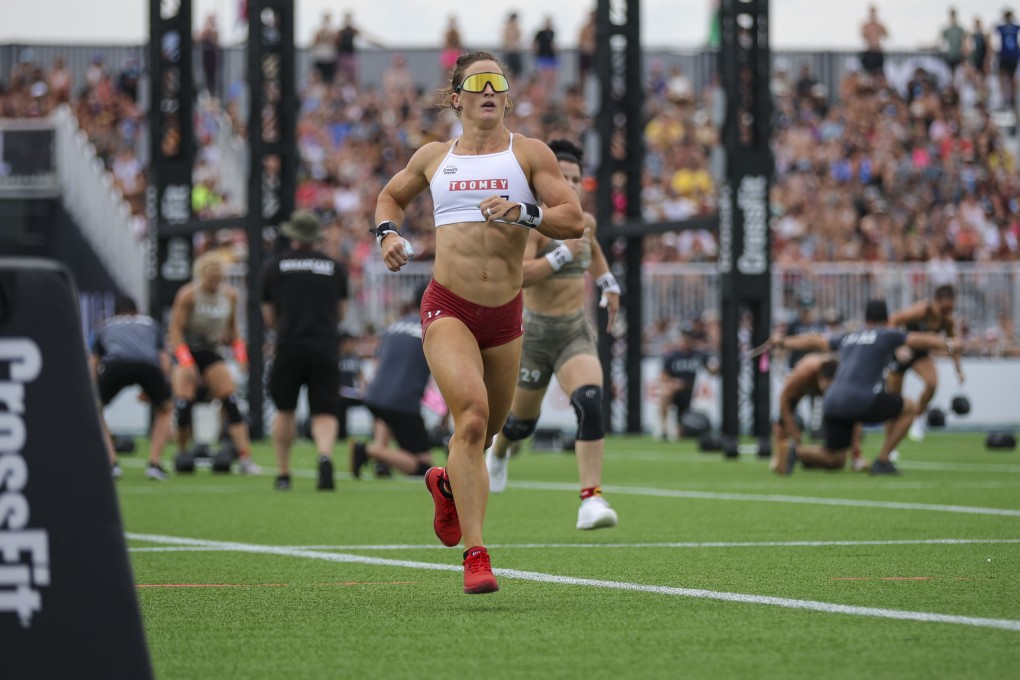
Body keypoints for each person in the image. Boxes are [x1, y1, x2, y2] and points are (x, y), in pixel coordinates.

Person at [373, 51, 584, 594]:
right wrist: (388, 235)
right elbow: (390, 196)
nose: (490, 90)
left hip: (507, 315)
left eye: (498, 82)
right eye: (478, 82)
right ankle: (476, 554)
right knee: (469, 419)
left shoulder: (530, 154)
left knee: (484, 436)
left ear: (508, 96)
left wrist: (524, 212)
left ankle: (446, 483)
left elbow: (572, 219)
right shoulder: (434, 157)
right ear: (456, 97)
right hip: (449, 308)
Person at [483, 138, 621, 530]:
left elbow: (590, 249)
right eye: (564, 177)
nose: (571, 185)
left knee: (590, 403)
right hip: (535, 336)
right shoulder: (533, 224)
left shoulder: (585, 221)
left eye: (576, 178)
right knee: (519, 425)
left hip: (574, 331)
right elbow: (519, 276)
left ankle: (591, 500)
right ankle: (500, 453)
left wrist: (609, 283)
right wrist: (560, 254)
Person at [772, 300, 960, 476]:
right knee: (910, 407)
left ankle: (795, 451)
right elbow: (917, 339)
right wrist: (949, 343)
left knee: (835, 459)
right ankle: (883, 460)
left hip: (832, 401)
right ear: (887, 320)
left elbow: (815, 341)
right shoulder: (887, 334)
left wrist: (783, 341)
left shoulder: (849, 337)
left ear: (866, 319)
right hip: (858, 401)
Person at [260, 211, 348, 491]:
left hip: (289, 344)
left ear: (294, 237)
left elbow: (269, 317)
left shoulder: (274, 267)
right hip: (325, 345)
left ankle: (284, 473)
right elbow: (341, 313)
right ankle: (324, 456)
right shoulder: (334, 267)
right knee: (324, 410)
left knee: (285, 409)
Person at [168, 251, 260, 474]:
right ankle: (182, 452)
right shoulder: (189, 294)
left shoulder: (230, 295)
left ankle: (245, 458)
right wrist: (186, 361)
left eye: (218, 280)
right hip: (188, 349)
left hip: (210, 350)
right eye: (210, 279)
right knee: (184, 403)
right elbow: (175, 330)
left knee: (230, 400)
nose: (214, 284)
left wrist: (240, 356)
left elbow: (234, 330)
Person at [350, 284, 441, 479]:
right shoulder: (434, 327)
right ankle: (368, 451)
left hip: (375, 396)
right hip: (403, 403)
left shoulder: (395, 325)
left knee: (386, 413)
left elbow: (379, 362)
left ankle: (381, 460)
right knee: (423, 467)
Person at [91, 296, 173, 480]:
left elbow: (94, 361)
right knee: (166, 410)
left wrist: (93, 391)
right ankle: (154, 464)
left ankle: (111, 464)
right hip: (148, 367)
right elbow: (165, 361)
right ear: (137, 311)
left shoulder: (106, 325)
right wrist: (157, 388)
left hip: (116, 365)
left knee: (95, 411)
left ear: (116, 312)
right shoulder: (151, 324)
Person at [886, 284, 965, 443]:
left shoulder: (947, 320)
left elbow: (953, 345)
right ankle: (889, 444)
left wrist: (958, 370)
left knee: (932, 382)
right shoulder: (922, 310)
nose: (947, 312)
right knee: (894, 400)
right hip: (903, 352)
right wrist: (898, 347)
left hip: (921, 354)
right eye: (944, 308)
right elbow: (893, 319)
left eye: (950, 309)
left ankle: (917, 417)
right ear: (936, 301)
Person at [769, 353, 861, 474]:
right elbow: (784, 398)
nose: (825, 388)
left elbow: (853, 418)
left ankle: (802, 455)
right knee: (781, 418)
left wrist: (856, 454)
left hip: (834, 404)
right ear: (819, 376)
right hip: (797, 391)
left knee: (838, 460)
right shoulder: (804, 373)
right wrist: (792, 429)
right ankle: (779, 456)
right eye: (825, 385)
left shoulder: (846, 380)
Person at [658, 326, 719, 441]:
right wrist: (674, 383)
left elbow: (712, 371)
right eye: (684, 338)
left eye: (689, 338)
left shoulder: (700, 355)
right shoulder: (672, 356)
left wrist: (718, 366)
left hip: (692, 393)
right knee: (665, 393)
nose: (686, 341)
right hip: (676, 392)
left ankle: (680, 428)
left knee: (683, 434)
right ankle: (663, 429)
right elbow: (663, 377)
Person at [995, 9, 1020, 109]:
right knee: (1004, 78)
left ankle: (1011, 99)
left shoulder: (1014, 27)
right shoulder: (1003, 27)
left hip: (1012, 56)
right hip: (1005, 56)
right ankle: (1005, 99)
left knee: (1011, 78)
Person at [859, 4, 889, 78]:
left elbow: (886, 35)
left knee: (879, 73)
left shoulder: (880, 25)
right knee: (868, 73)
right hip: (869, 51)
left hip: (878, 51)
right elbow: (863, 37)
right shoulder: (865, 25)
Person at [534, 16, 559, 94]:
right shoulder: (540, 33)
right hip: (542, 57)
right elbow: (535, 44)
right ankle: (543, 93)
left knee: (552, 78)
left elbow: (554, 45)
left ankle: (549, 93)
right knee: (542, 78)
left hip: (551, 57)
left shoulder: (552, 33)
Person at [310, 12, 337, 84]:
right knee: (318, 77)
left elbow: (336, 42)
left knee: (329, 79)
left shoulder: (333, 30)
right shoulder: (318, 29)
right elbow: (314, 42)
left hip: (329, 58)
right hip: (320, 57)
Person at [940, 8, 966, 83]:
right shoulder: (946, 30)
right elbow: (941, 42)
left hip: (959, 55)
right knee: (951, 76)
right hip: (950, 55)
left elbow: (964, 42)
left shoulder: (960, 29)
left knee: (961, 75)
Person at [577, 9, 596, 86]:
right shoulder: (584, 28)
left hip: (595, 55)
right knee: (582, 75)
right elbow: (580, 43)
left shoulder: (599, 28)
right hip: (585, 54)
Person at [502, 12, 523, 79]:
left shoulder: (516, 27)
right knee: (508, 73)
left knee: (516, 74)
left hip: (515, 52)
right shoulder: (507, 28)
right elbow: (506, 41)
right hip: (509, 53)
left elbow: (519, 38)